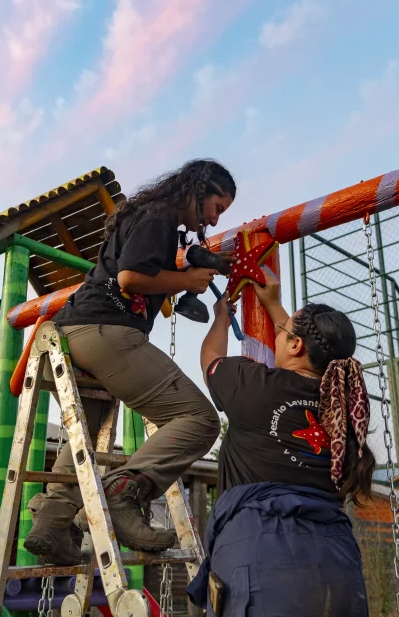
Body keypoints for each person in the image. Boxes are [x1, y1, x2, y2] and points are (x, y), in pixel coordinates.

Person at [25, 160, 236, 565]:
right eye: (216, 207)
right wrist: (187, 282)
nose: (212, 218)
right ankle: (124, 494)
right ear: (197, 189)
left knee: (83, 434)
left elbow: (152, 264)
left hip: (71, 336)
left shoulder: (150, 219)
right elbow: (129, 279)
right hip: (104, 329)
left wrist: (200, 265)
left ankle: (52, 523)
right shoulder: (159, 215)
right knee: (200, 419)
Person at [187, 270, 374, 617]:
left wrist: (221, 320)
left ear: (295, 345)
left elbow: (210, 358)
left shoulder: (255, 384)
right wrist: (274, 306)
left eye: (284, 331)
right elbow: (304, 342)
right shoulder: (346, 410)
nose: (279, 332)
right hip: (338, 562)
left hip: (260, 555)